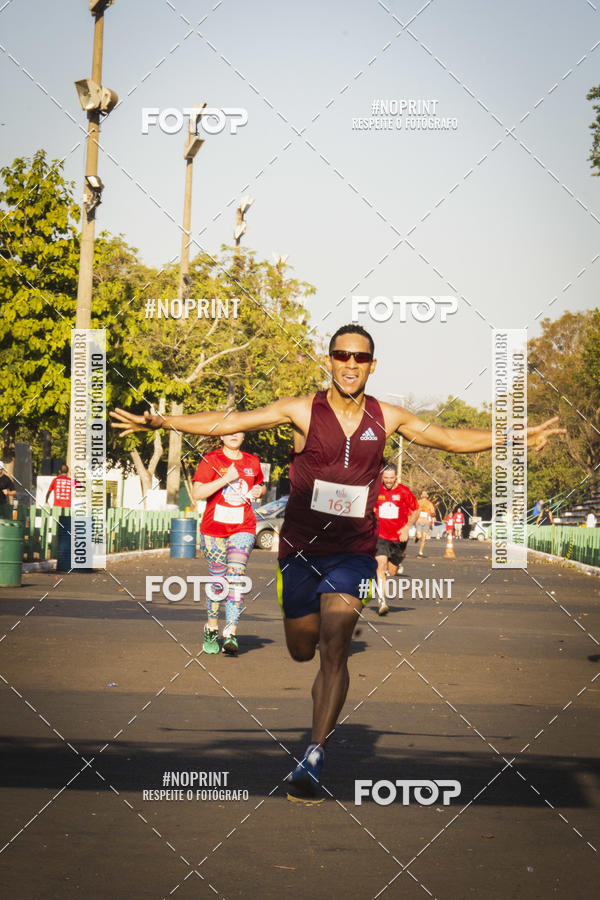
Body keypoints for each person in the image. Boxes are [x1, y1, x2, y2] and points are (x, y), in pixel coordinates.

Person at [110, 323, 564, 802]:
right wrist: (163, 423)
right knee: (303, 648)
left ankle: (314, 753)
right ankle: (315, 710)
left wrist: (510, 436)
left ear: (372, 365)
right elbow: (230, 421)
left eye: (360, 358)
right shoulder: (302, 410)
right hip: (300, 553)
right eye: (341, 355)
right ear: (329, 360)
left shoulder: (387, 416)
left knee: (335, 645)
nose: (350, 364)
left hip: (355, 553)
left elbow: (448, 437)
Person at [191, 432, 266, 656]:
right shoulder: (210, 460)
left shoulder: (252, 461)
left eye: (239, 430)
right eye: (229, 431)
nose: (233, 435)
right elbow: (197, 493)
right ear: (221, 435)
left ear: (244, 434)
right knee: (218, 579)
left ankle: (231, 631)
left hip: (243, 527)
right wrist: (226, 478)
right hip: (213, 529)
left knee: (236, 577)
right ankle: (212, 627)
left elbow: (260, 486)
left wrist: (258, 491)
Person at [373, 464, 418, 616]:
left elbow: (416, 510)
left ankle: (400, 557)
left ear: (396, 477)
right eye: (386, 478)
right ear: (381, 477)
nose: (389, 481)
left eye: (391, 478)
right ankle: (382, 601)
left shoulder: (404, 491)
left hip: (399, 537)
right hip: (381, 536)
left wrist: (407, 528)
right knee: (381, 565)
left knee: (391, 571)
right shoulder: (376, 489)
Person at [415, 490, 436, 557]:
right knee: (419, 536)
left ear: (427, 496)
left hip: (426, 522)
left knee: (424, 538)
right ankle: (417, 537)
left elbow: (433, 512)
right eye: (423, 494)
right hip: (419, 521)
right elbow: (414, 510)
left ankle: (420, 552)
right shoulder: (418, 502)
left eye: (425, 494)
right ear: (421, 496)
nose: (424, 495)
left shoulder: (430, 504)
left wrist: (433, 515)